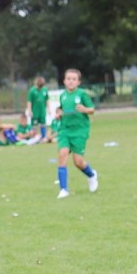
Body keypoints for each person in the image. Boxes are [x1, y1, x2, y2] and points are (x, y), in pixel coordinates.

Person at [56, 68, 98, 199]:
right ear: (64, 81)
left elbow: (92, 110)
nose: (71, 81)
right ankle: (63, 189)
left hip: (80, 131)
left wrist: (85, 109)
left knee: (78, 162)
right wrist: (58, 114)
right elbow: (61, 109)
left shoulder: (82, 94)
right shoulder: (62, 95)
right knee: (62, 156)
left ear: (78, 82)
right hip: (64, 130)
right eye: (68, 79)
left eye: (74, 79)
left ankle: (91, 175)